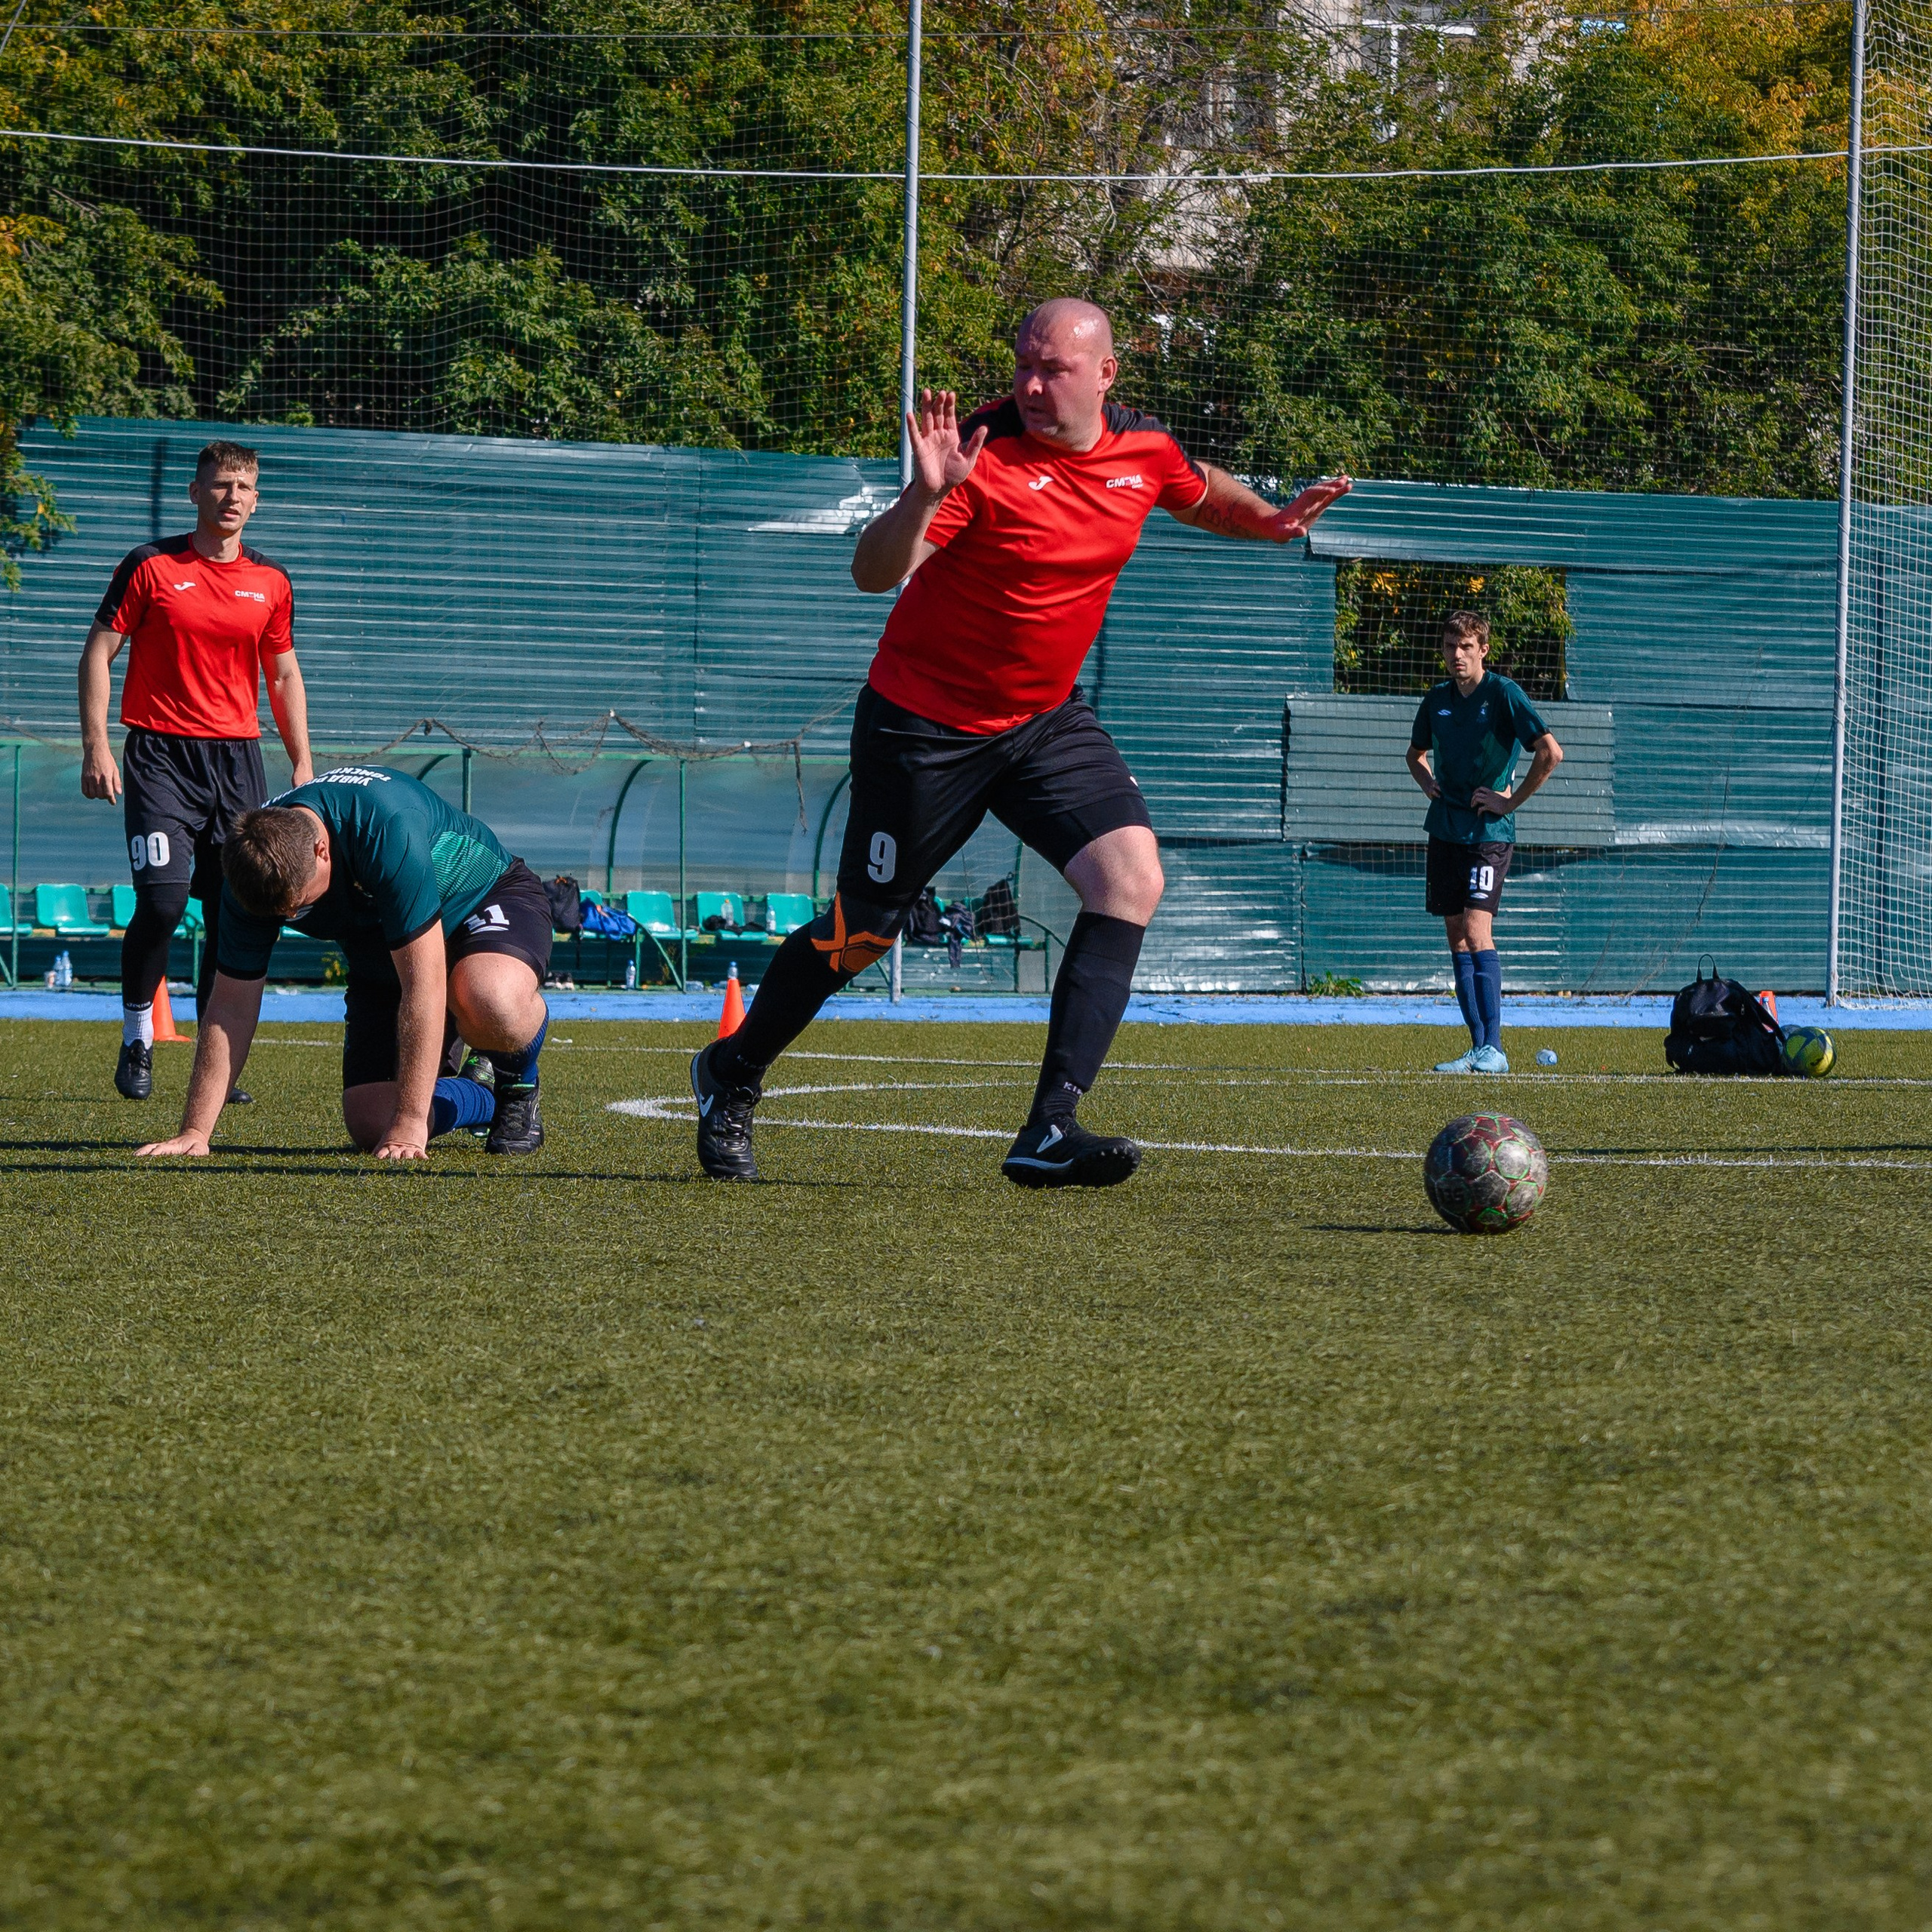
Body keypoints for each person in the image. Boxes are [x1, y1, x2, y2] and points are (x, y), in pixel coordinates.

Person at [690, 296, 1351, 1186]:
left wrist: (1267, 519)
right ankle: (731, 1072)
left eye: (1056, 369)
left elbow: (1193, 488)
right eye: (1024, 367)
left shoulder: (1141, 448)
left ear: (1107, 375)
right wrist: (926, 491)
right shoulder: (981, 457)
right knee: (861, 937)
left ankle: (1049, 1127)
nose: (1034, 386)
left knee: (1130, 877)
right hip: (922, 729)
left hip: (1041, 720)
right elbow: (870, 573)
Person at [134, 766, 551, 1161]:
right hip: (383, 942)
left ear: (322, 850)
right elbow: (230, 1006)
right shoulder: (253, 870)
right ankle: (481, 1093)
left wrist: (409, 1127)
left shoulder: (386, 830)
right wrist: (195, 1132)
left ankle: (518, 1079)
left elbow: (424, 984)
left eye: (297, 909)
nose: (287, 919)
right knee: (371, 1123)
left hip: (480, 900)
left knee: (488, 997)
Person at [80, 438, 313, 1103]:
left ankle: (218, 1058)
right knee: (161, 901)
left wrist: (300, 759)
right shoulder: (151, 566)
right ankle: (137, 1037)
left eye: (244, 487)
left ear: (257, 499)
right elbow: (99, 651)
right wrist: (96, 744)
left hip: (238, 762)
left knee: (238, 909)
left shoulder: (272, 581)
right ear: (195, 491)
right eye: (219, 484)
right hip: (159, 755)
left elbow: (284, 672)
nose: (231, 497)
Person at [1404, 611, 1563, 1075]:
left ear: (1483, 651)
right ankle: (1478, 1049)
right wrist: (1426, 782)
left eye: (1467, 647)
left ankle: (1494, 1048)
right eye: (1451, 646)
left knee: (1477, 931)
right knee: (1456, 937)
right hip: (1445, 830)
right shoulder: (1435, 700)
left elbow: (1551, 752)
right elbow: (1414, 756)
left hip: (1489, 836)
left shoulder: (1504, 693)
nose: (1457, 655)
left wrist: (1508, 804)